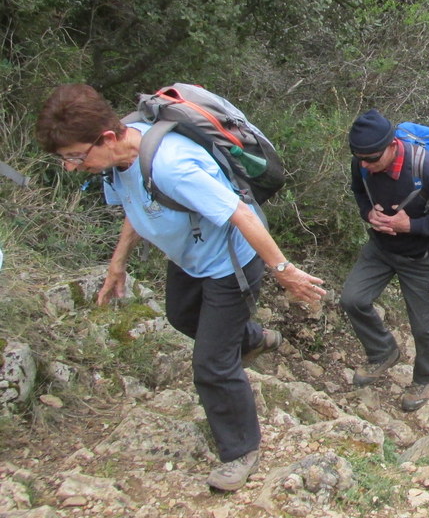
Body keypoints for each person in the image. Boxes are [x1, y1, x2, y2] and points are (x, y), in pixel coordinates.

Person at [35, 84, 326, 492]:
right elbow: (135, 207)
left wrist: (284, 270)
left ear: (106, 137)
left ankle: (241, 450)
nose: (71, 167)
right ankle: (254, 338)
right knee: (181, 316)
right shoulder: (116, 161)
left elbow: (240, 213)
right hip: (189, 258)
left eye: (74, 157)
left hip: (230, 263)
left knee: (211, 364)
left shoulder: (173, 164)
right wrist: (117, 265)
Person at [341, 110, 429, 412]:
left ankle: (427, 376)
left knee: (424, 327)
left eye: (372, 159)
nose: (366, 165)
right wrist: (368, 214)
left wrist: (409, 226)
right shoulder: (362, 161)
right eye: (361, 159)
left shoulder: (428, 168)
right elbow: (359, 192)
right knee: (352, 299)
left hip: (425, 256)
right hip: (381, 248)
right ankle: (383, 351)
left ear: (392, 145)